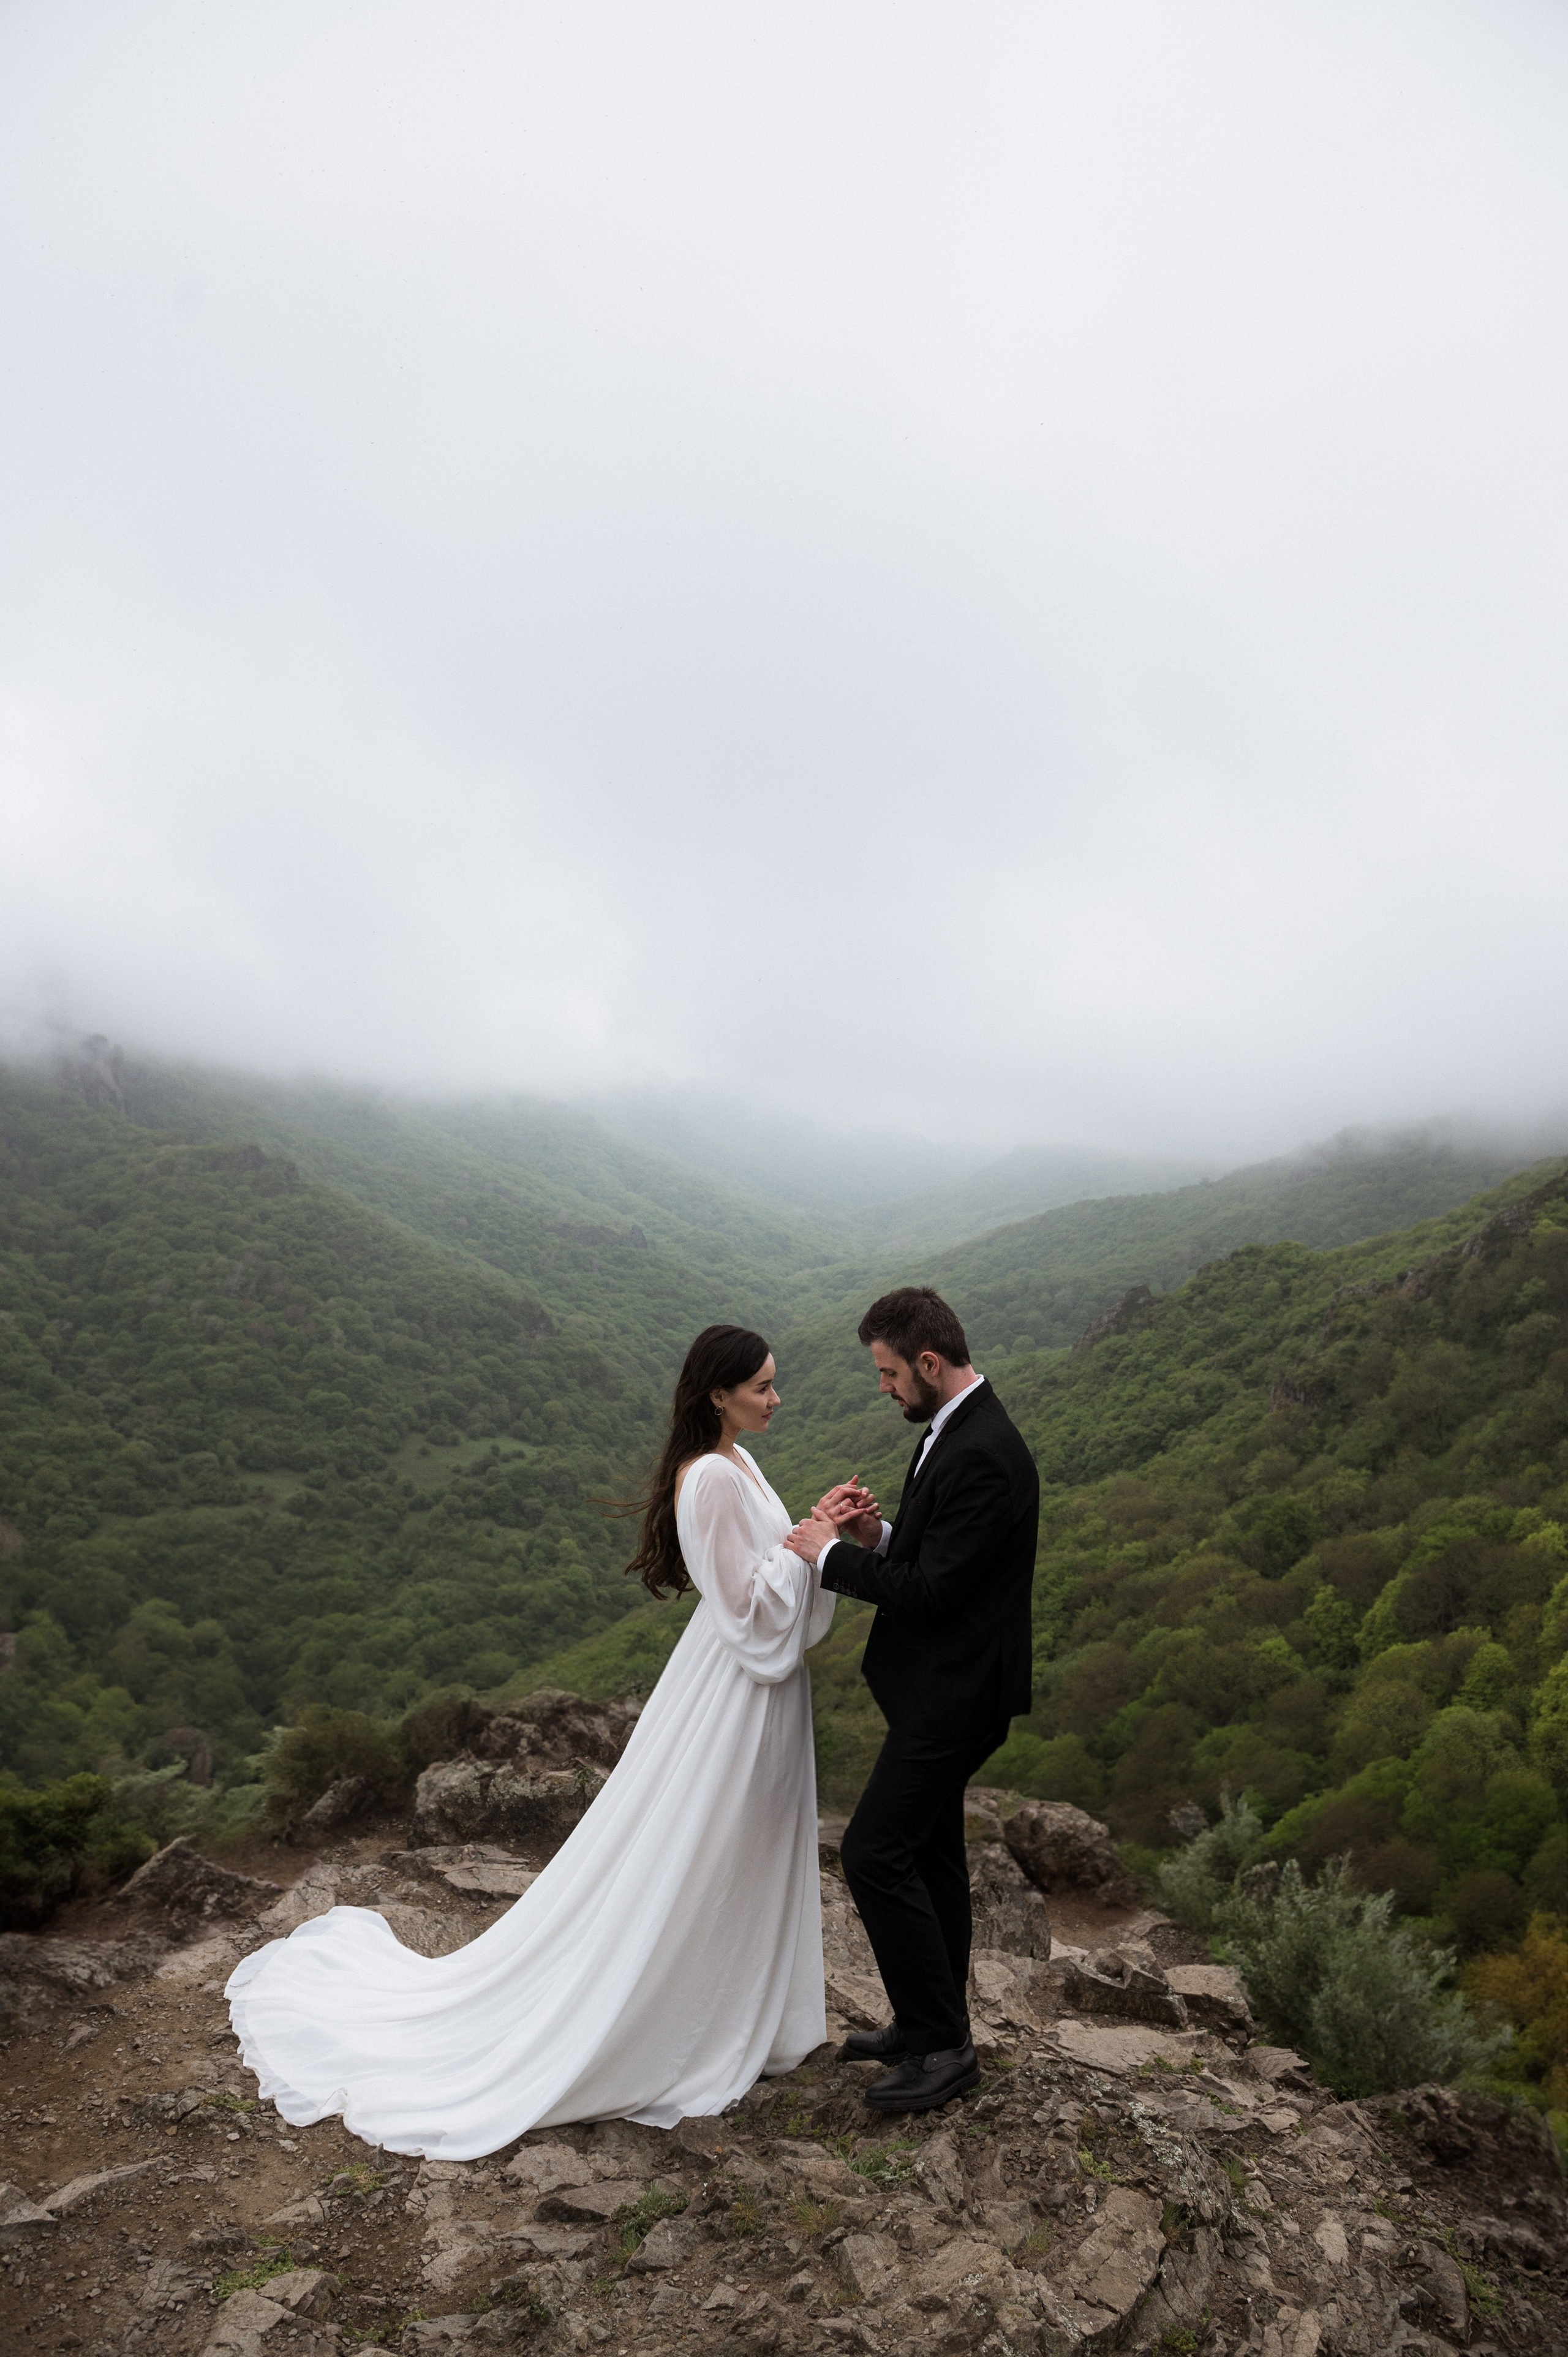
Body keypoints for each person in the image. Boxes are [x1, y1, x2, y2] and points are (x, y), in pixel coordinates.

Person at [226, 1325, 865, 2159]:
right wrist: (813, 1544)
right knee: (712, 1844)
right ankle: (695, 2016)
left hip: (760, 1687)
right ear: (719, 1394)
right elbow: (744, 1607)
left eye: (775, 1384)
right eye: (762, 1387)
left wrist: (816, 1538)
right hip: (737, 1688)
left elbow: (765, 1575)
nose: (776, 1399)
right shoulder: (710, 1476)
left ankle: (750, 2012)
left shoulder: (738, 1459)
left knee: (746, 1844)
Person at [785, 1286, 1039, 2114]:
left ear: (929, 1363)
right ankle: (930, 2021)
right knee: (931, 1857)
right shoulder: (956, 1430)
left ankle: (942, 2049)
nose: (884, 1388)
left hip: (957, 1697)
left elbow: (930, 1597)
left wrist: (829, 1556)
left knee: (873, 1852)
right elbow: (944, 1563)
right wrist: (878, 1539)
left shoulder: (983, 1451)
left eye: (890, 1374)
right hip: (944, 1687)